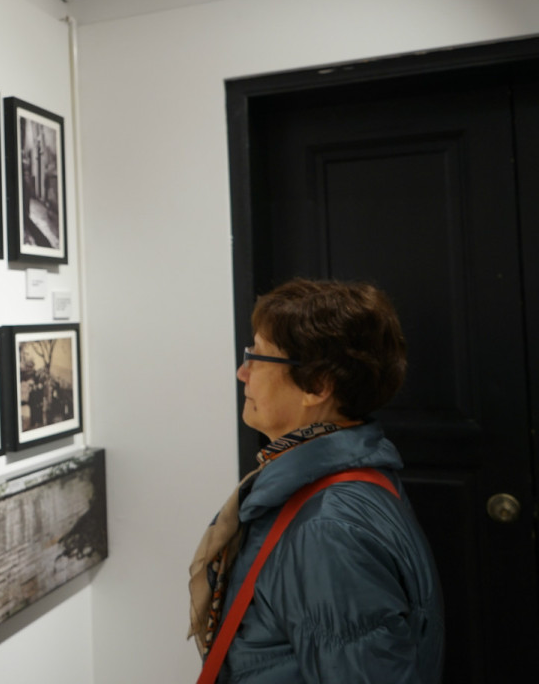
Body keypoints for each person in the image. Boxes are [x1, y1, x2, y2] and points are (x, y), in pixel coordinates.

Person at [188, 279, 443, 683]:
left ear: (317, 386)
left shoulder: (328, 529)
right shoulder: (341, 482)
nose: (242, 372)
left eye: (257, 356)